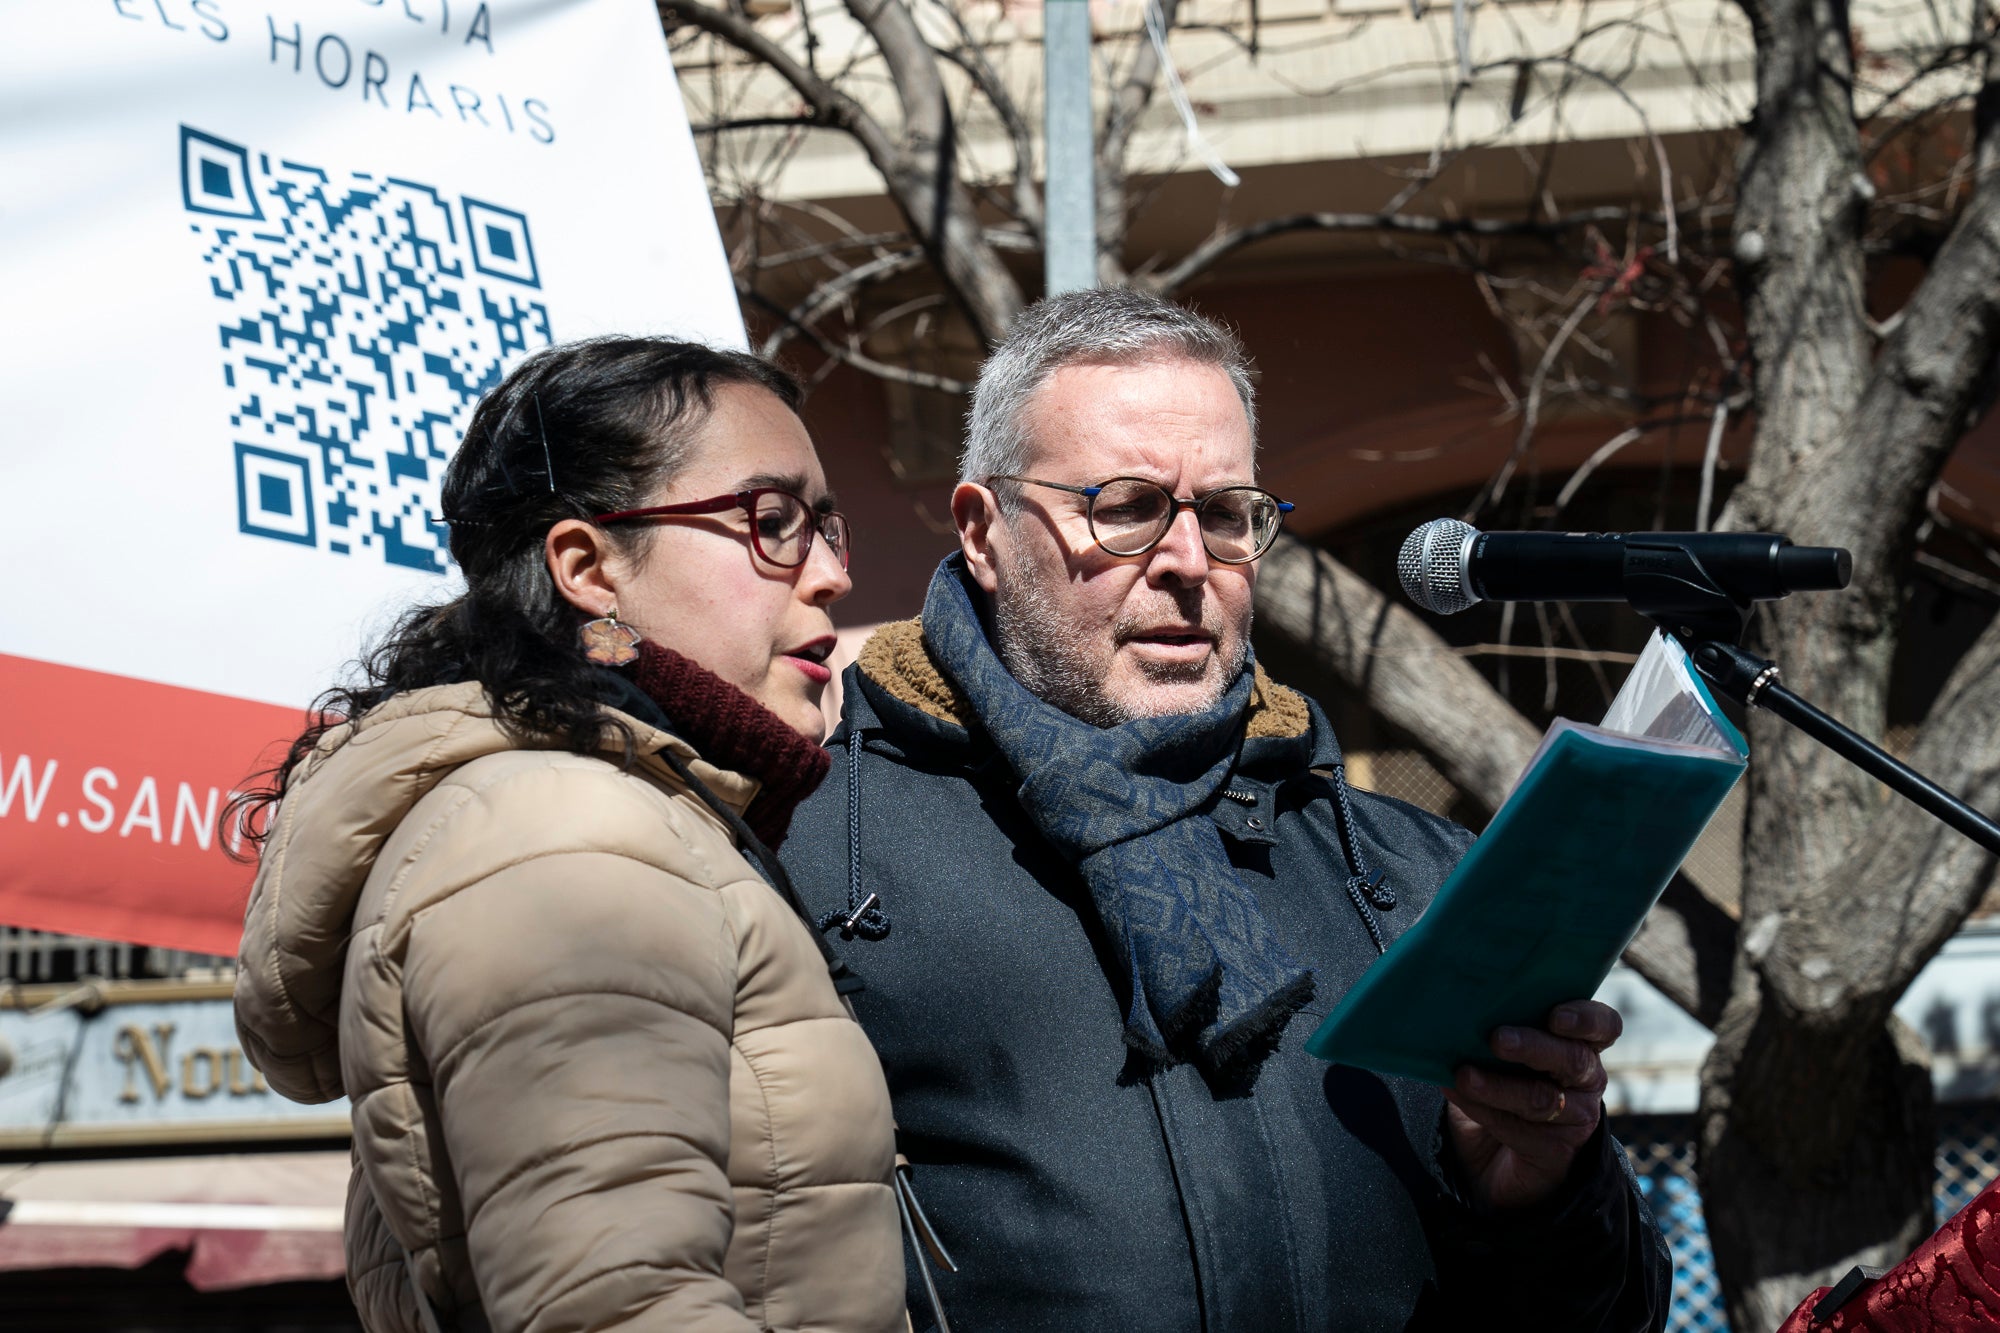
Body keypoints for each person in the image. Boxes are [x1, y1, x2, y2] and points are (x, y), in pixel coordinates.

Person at [781, 290, 1673, 1331]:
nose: (1185, 561)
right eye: (1122, 508)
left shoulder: (1414, 874)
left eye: (1222, 513)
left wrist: (1536, 1190)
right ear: (982, 533)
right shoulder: (811, 843)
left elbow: (1609, 1316)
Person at [233, 338, 906, 1333]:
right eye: (771, 523)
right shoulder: (562, 837)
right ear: (588, 568)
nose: (832, 575)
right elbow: (614, 1308)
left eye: (827, 526)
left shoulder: (625, 813)